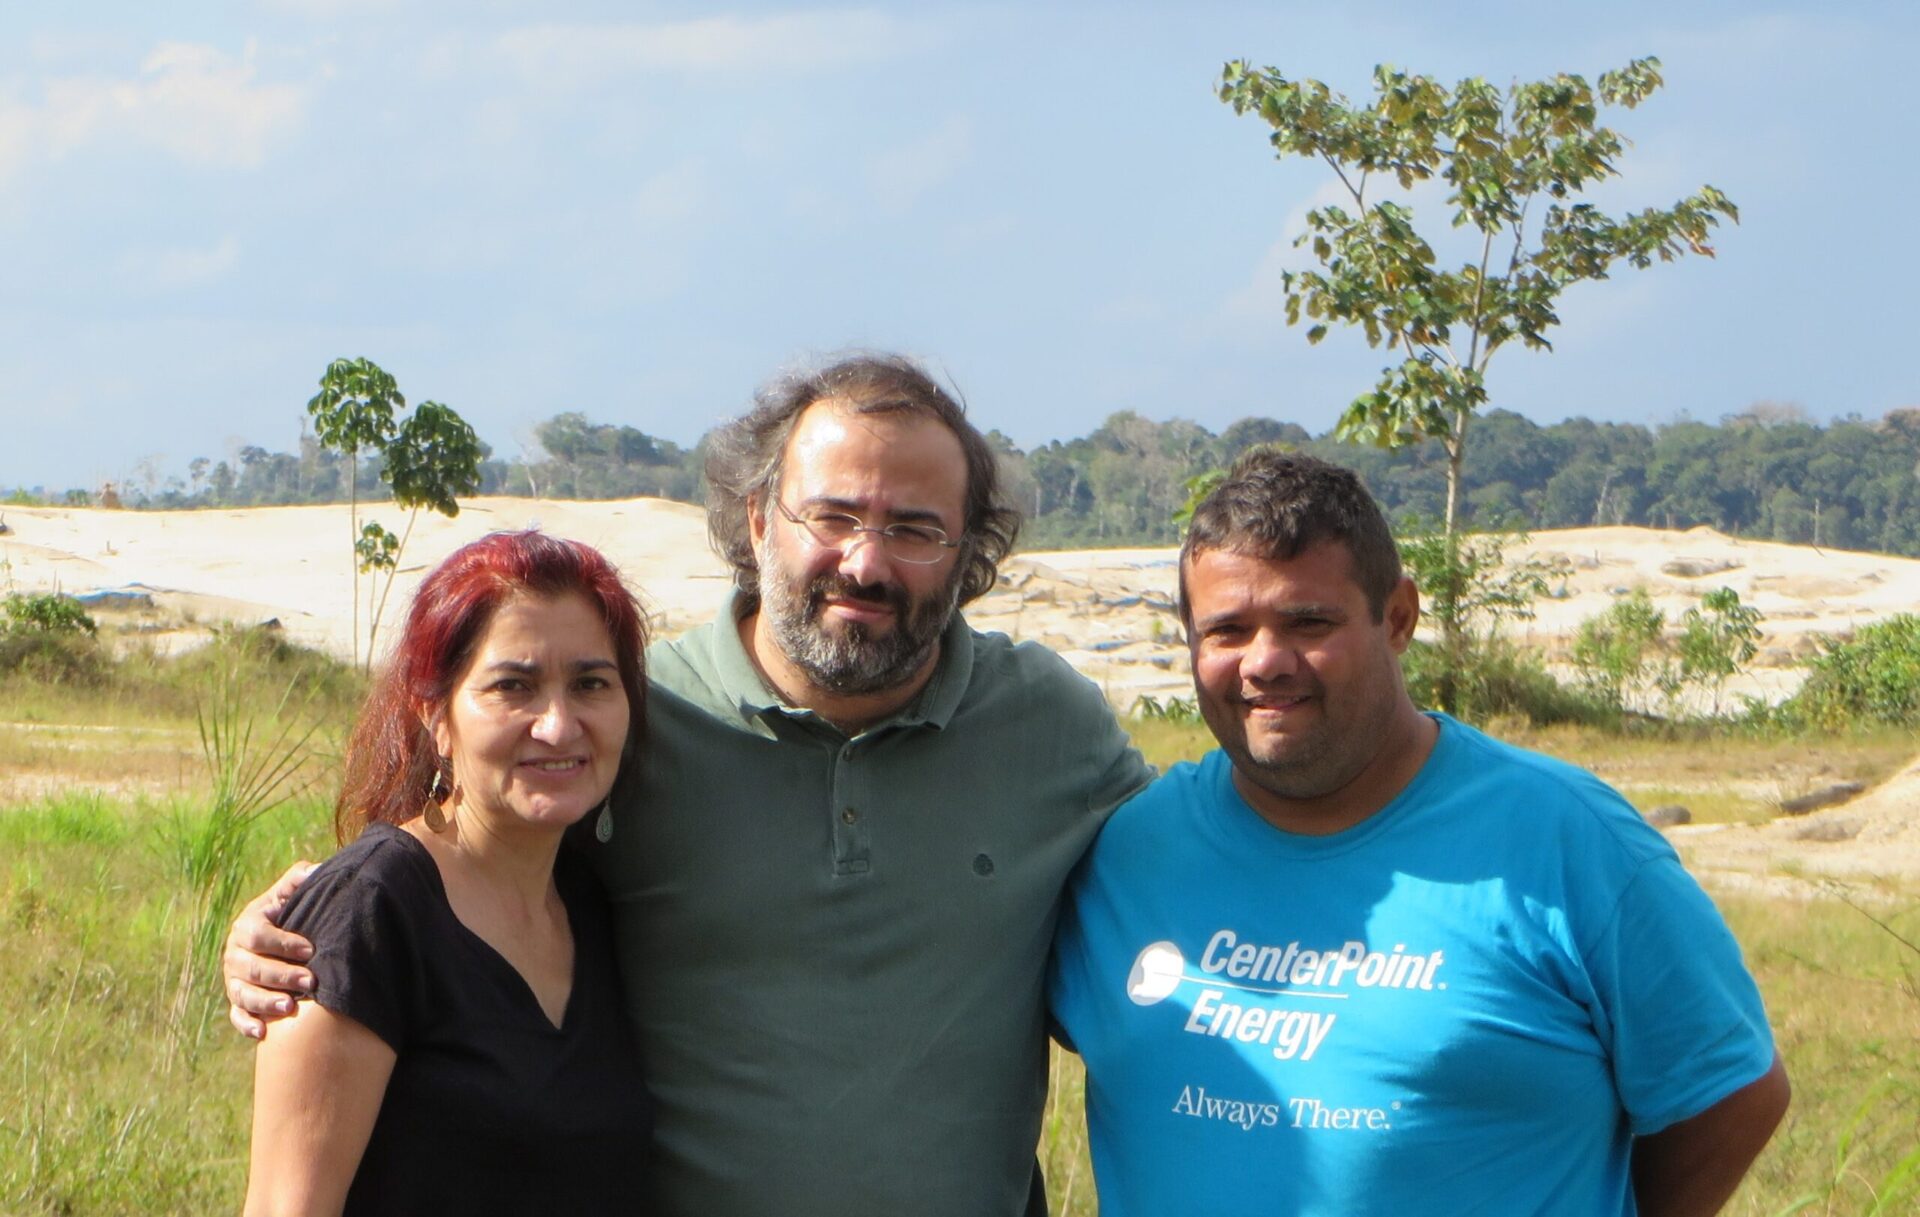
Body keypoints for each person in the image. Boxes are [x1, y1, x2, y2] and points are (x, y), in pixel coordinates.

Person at [225, 354, 1155, 1217]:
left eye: (915, 529)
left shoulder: (1051, 726)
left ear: (967, 553)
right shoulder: (632, 720)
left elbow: (1208, 867)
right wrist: (304, 931)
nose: (864, 563)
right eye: (830, 516)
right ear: (757, 522)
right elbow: (457, 870)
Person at [1049, 450, 1790, 1216]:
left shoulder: (1569, 843)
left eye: (1308, 621)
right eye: (1228, 629)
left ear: (1397, 615)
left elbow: (1732, 1093)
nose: (1265, 661)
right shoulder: (1126, 851)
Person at [243, 530, 653, 1216]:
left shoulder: (591, 900)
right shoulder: (375, 908)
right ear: (435, 715)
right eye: (512, 686)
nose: (558, 724)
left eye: (590, 683)